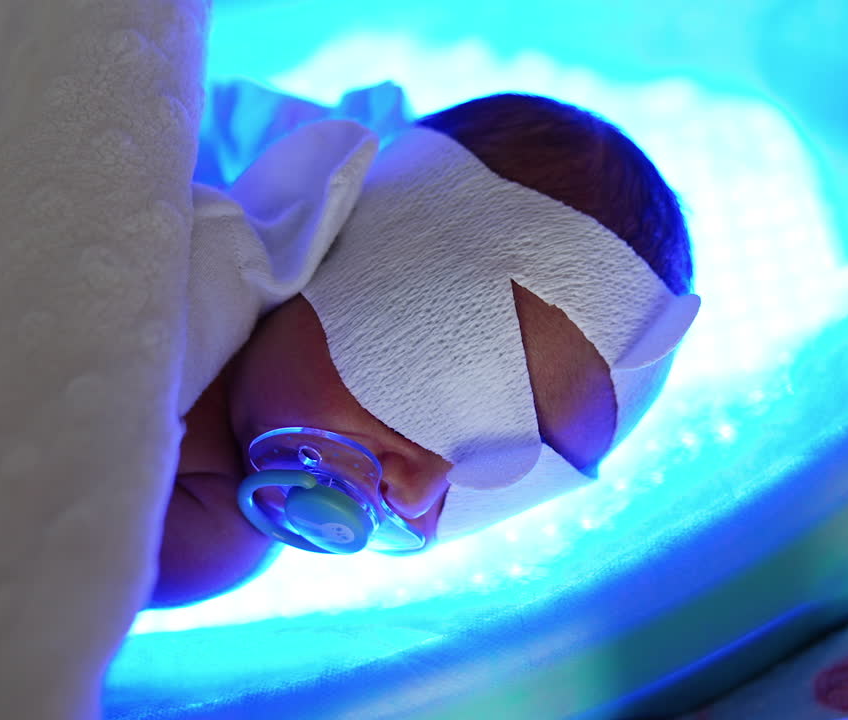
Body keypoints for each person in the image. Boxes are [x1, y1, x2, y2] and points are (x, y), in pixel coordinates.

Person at [151, 89, 697, 607]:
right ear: (346, 244)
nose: (412, 497)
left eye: (499, 488)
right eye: (458, 402)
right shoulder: (224, 172)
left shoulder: (207, 529)